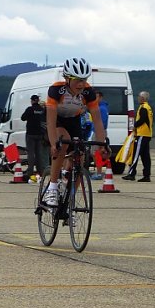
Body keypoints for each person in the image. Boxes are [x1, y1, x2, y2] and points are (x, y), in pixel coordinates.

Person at [41, 58, 110, 207]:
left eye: (84, 80)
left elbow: (97, 121)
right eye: (77, 80)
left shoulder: (88, 92)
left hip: (73, 119)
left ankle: (69, 197)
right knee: (62, 142)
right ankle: (52, 187)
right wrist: (53, 144)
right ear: (67, 78)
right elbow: (51, 121)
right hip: (56, 119)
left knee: (81, 157)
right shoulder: (56, 90)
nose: (81, 84)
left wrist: (102, 144)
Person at [122, 91, 154, 182]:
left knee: (135, 154)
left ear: (143, 98)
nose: (138, 98)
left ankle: (132, 173)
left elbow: (142, 120)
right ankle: (146, 175)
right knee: (145, 156)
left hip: (142, 134)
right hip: (147, 134)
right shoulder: (148, 107)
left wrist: (134, 126)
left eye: (139, 96)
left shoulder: (143, 107)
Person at [21, 94, 47, 179]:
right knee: (39, 153)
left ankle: (30, 171)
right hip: (40, 134)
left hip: (30, 134)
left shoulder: (30, 109)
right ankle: (41, 171)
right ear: (38, 100)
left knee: (31, 153)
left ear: (32, 101)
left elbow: (23, 118)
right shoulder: (42, 109)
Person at [90, 91, 110, 180]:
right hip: (98, 131)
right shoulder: (101, 107)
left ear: (101, 97)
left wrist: (99, 132)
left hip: (99, 132)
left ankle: (98, 172)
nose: (95, 99)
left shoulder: (101, 108)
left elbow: (103, 122)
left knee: (96, 152)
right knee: (97, 152)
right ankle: (99, 171)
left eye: (96, 97)